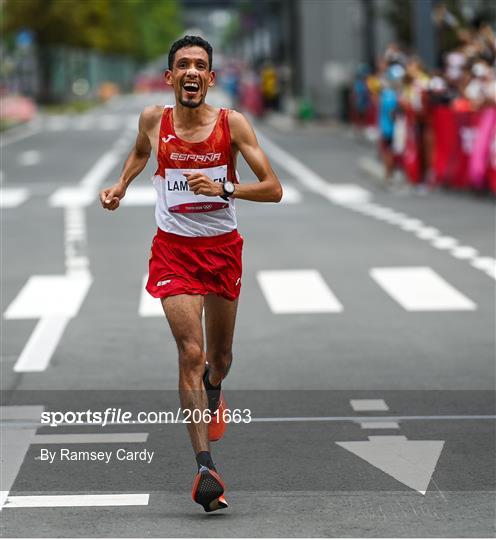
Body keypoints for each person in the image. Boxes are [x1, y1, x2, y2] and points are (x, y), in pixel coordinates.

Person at [99, 35, 282, 512]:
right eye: (183, 65)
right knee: (190, 352)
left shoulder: (232, 124)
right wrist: (120, 185)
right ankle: (205, 467)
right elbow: (142, 151)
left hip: (221, 251)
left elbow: (274, 188)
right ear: (171, 77)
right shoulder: (153, 120)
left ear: (211, 78)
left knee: (218, 358)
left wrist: (225, 187)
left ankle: (214, 388)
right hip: (173, 251)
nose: (192, 72)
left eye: (201, 65)